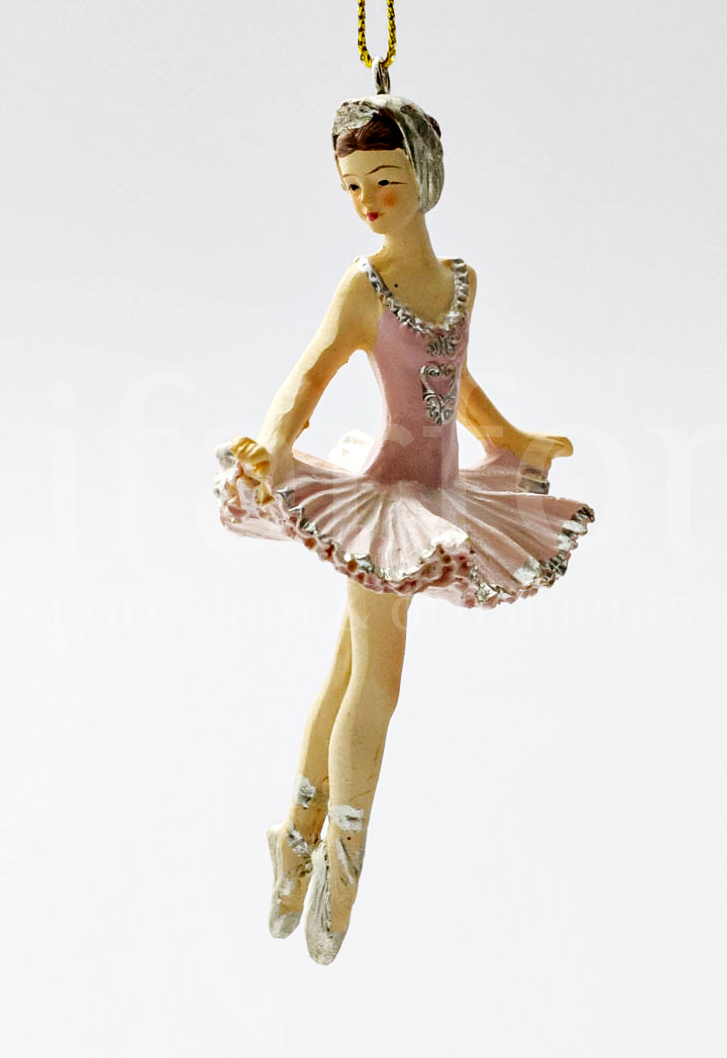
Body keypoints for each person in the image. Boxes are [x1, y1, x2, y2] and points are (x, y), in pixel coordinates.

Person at [212, 93, 596, 965]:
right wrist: (273, 443)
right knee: (378, 677)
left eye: (384, 179)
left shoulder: (460, 283)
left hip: (443, 491)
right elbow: (308, 375)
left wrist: (512, 439)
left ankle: (298, 835)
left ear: (424, 176)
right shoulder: (363, 286)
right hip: (388, 504)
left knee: (350, 668)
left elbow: (452, 381)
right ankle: (342, 856)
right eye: (352, 185)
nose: (368, 200)